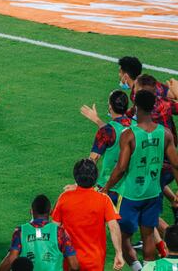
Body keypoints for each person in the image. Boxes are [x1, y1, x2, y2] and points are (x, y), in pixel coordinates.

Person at [103, 90, 178, 270]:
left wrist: (106, 187)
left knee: (122, 238)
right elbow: (176, 164)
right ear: (153, 107)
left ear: (135, 106)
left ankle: (138, 268)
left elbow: (120, 168)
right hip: (153, 193)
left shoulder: (129, 135)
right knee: (148, 237)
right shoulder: (165, 133)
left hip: (130, 195)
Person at [51, 159, 124, 271]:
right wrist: (119, 253)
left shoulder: (64, 198)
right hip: (94, 262)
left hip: (70, 260)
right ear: (95, 178)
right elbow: (113, 227)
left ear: (76, 177)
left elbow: (54, 229)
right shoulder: (104, 200)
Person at [0, 194, 79, 271]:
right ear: (51, 212)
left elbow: (10, 260)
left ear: (31, 211)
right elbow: (74, 266)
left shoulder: (20, 232)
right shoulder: (60, 232)